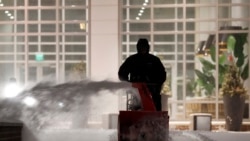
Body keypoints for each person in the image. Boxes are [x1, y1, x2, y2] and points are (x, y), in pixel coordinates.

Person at [118, 38, 166, 111]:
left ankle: (156, 114)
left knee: (155, 102)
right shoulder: (132, 60)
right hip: (137, 90)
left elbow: (162, 74)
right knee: (136, 104)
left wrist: (157, 84)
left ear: (148, 47)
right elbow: (122, 73)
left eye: (144, 47)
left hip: (152, 90)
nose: (143, 49)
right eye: (141, 47)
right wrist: (129, 84)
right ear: (138, 47)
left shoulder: (154, 60)